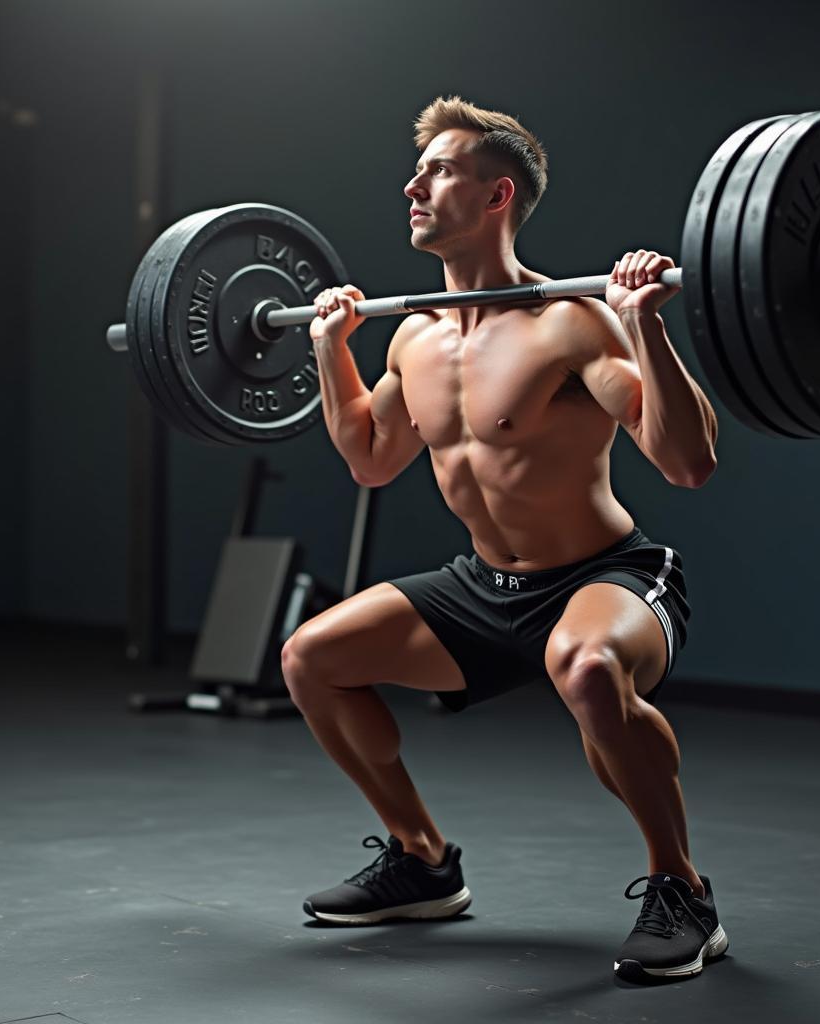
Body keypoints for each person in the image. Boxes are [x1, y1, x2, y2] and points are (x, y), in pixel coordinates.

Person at [281, 95, 726, 983]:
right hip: (484, 588)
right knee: (311, 658)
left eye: (440, 170)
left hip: (607, 576)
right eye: (418, 172)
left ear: (498, 196)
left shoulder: (569, 320)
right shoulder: (413, 338)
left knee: (591, 670)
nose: (413, 185)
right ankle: (422, 861)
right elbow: (372, 458)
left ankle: (681, 888)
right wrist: (332, 349)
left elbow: (687, 464)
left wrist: (647, 328)